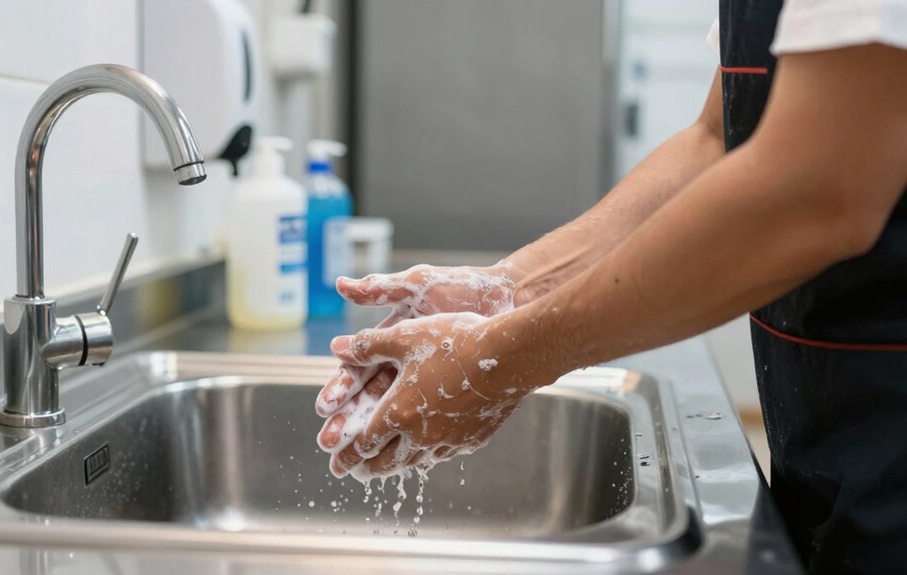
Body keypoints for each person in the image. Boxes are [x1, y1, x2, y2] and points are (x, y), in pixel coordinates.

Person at [315, 1, 907, 571]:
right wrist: (509, 289)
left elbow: (817, 192)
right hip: (835, 455)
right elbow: (717, 138)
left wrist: (498, 358)